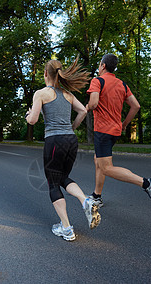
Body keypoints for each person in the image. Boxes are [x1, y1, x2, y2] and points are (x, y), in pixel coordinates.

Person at [26, 57, 101, 241]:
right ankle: (85, 200)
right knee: (63, 178)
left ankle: (66, 228)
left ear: (45, 74)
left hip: (54, 140)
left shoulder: (41, 94)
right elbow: (83, 111)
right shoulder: (67, 94)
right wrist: (72, 128)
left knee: (52, 183)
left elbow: (33, 120)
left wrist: (28, 115)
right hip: (71, 140)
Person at [86, 54, 151, 215]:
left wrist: (84, 108)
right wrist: (124, 124)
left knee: (106, 167)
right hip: (115, 131)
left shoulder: (97, 81)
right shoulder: (122, 84)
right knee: (98, 160)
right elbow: (135, 106)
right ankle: (97, 196)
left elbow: (93, 103)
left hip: (102, 130)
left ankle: (148, 184)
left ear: (102, 66)